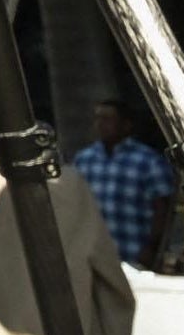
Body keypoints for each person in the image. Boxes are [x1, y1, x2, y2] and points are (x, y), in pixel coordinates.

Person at [69, 98, 178, 271]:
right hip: (92, 254)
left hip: (134, 252)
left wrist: (152, 247)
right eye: (98, 118)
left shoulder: (148, 161)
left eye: (107, 119)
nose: (101, 124)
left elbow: (163, 209)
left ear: (126, 125)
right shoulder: (84, 159)